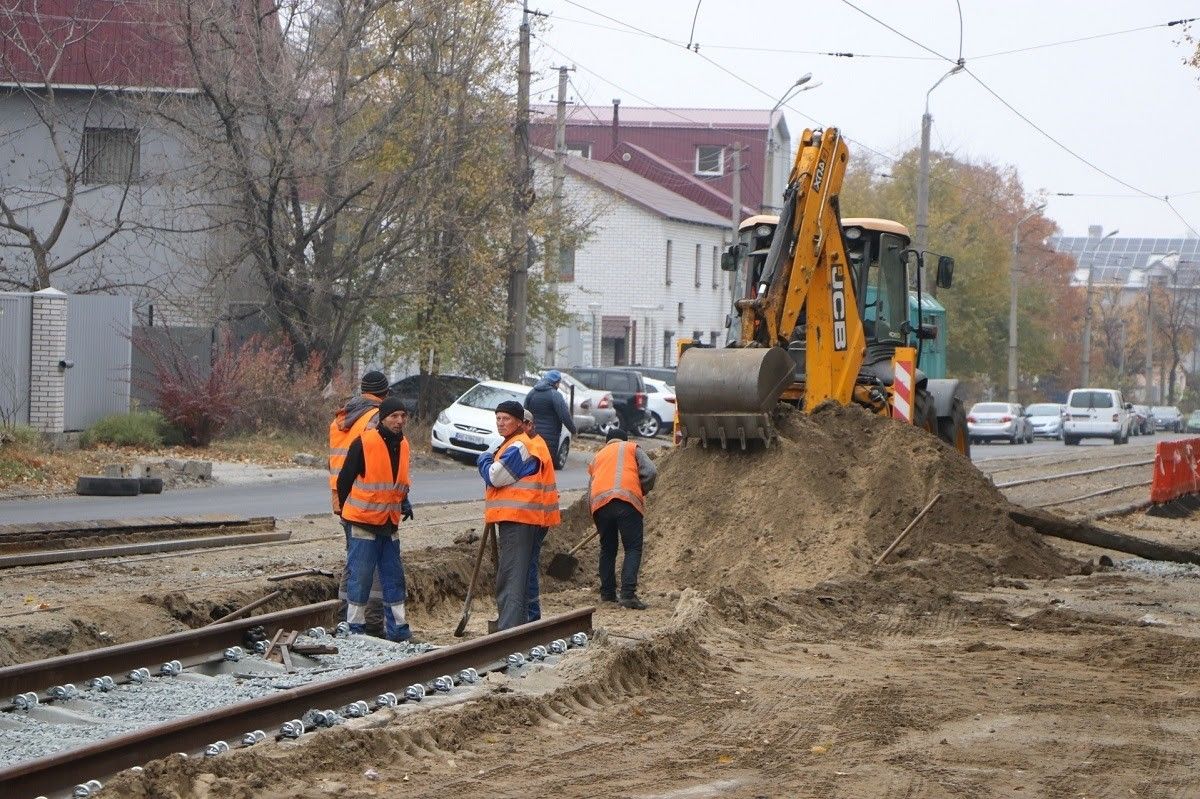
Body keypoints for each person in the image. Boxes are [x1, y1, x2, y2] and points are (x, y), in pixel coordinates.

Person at [337, 395, 414, 642]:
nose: (399, 420)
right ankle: (355, 630)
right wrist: (346, 514)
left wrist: (404, 501)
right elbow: (344, 480)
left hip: (389, 523)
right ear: (383, 418)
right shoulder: (364, 442)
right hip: (363, 523)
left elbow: (398, 481)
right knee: (360, 579)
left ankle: (398, 631)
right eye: (394, 416)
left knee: (394, 579)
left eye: (403, 416)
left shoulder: (403, 445)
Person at [477, 400, 558, 631]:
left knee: (511, 576)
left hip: (519, 518)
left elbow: (495, 476)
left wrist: (483, 460)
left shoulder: (520, 447)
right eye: (498, 419)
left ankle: (509, 629)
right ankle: (526, 624)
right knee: (522, 574)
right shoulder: (520, 443)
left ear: (521, 423)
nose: (501, 423)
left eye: (506, 419)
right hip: (527, 517)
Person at [329, 371, 389, 635]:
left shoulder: (343, 417)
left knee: (354, 558)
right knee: (372, 560)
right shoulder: (374, 419)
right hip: (367, 501)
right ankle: (372, 622)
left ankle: (345, 616)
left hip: (343, 499)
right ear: (384, 393)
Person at [588, 428, 656, 610]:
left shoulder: (598, 456)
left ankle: (608, 594)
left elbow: (591, 488)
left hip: (600, 505)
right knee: (633, 548)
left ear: (607, 442)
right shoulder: (631, 447)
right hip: (626, 501)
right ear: (625, 439)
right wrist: (641, 489)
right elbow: (650, 471)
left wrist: (598, 516)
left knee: (607, 548)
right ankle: (627, 595)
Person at [522, 409, 560, 622]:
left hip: (536, 515)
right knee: (528, 563)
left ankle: (532, 615)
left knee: (528, 564)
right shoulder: (534, 443)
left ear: (528, 425)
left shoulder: (533, 447)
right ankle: (529, 613)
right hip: (536, 514)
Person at [525, 370, 576, 469]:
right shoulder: (555, 395)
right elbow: (565, 416)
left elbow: (525, 412)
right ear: (556, 382)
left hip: (531, 434)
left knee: (531, 462)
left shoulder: (532, 392)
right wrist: (573, 430)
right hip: (550, 438)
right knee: (544, 465)